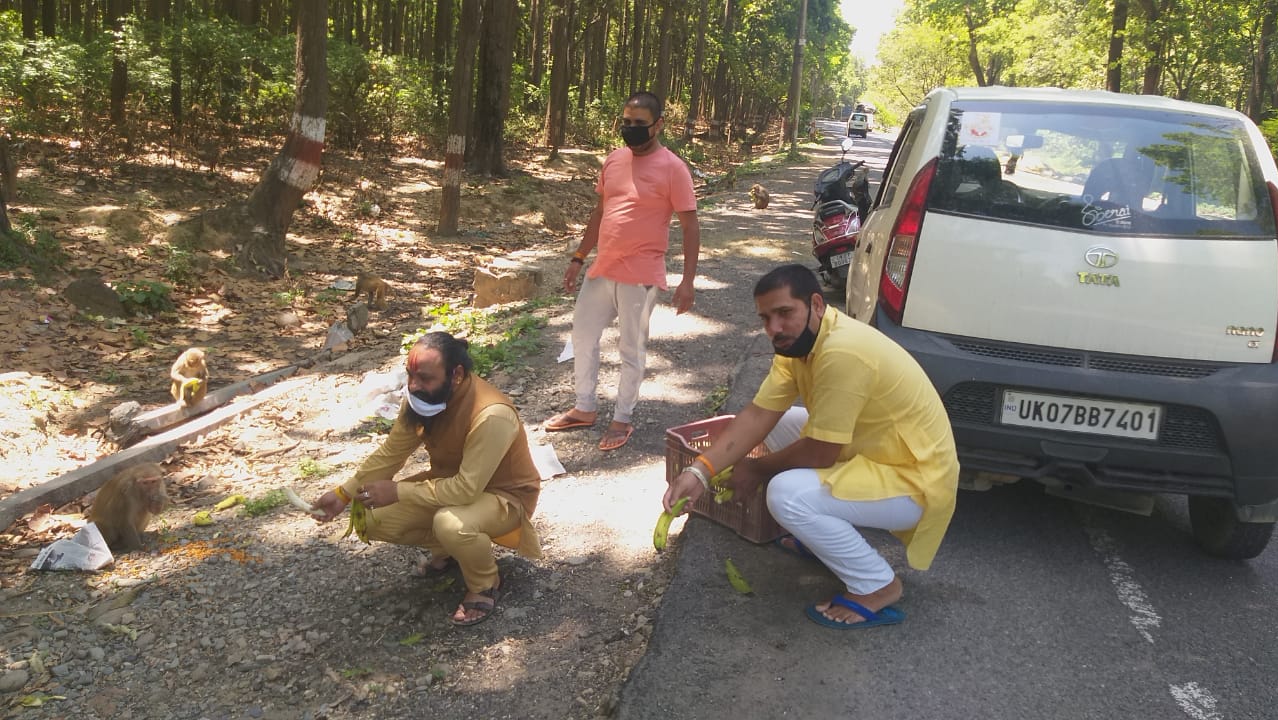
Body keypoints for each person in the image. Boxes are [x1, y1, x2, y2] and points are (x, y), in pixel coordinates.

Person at [663, 264, 959, 629]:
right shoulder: (799, 345)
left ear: (816, 304)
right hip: (876, 450)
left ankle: (878, 586)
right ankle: (821, 536)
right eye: (766, 318)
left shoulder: (843, 352)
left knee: (785, 494)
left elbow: (821, 453)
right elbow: (759, 414)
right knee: (784, 424)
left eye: (785, 313)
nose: (774, 328)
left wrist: (756, 468)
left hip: (917, 481)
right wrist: (700, 471)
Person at [312, 331, 542, 627]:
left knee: (451, 523)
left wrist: (399, 491)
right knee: (369, 519)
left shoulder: (491, 415)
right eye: (410, 375)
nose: (413, 385)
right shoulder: (422, 400)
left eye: (424, 378)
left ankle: (485, 583)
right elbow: (391, 454)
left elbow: (466, 489)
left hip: (503, 498)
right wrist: (343, 493)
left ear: (456, 374)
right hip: (450, 487)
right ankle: (453, 551)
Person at [543, 90, 701, 452]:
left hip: (642, 277)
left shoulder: (674, 168)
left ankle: (622, 418)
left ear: (658, 125)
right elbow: (599, 212)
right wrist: (579, 257)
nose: (630, 129)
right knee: (582, 337)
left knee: (632, 349)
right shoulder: (613, 160)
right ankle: (584, 408)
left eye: (639, 124)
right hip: (602, 270)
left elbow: (690, 226)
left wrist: (688, 281)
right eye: (626, 122)